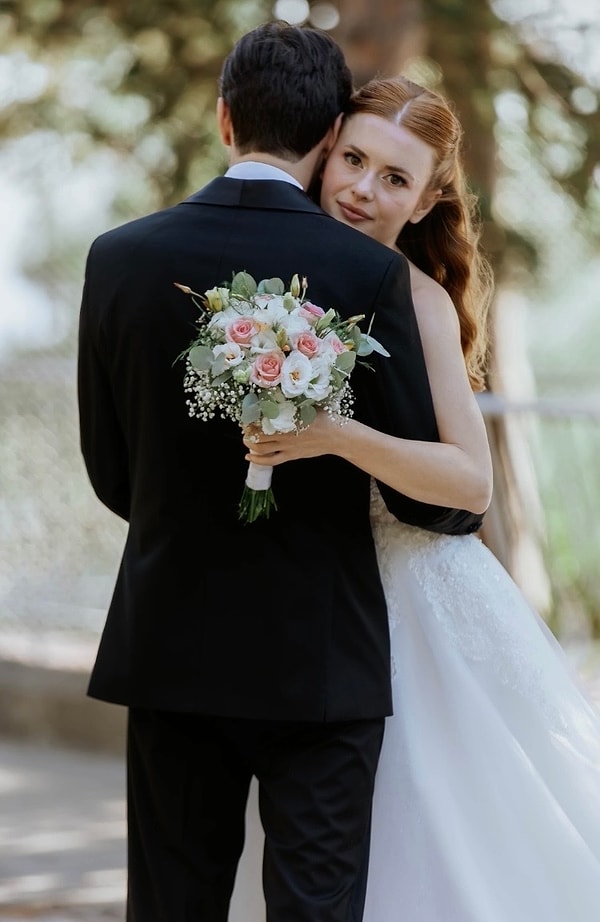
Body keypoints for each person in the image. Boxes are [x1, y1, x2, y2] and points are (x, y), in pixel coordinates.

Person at [77, 24, 484, 922]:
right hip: (322, 665)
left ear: (225, 119)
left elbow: (114, 476)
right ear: (328, 134)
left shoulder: (117, 258)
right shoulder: (367, 273)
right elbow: (440, 505)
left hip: (172, 650)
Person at [241, 76, 600, 920]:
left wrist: (336, 436)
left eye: (394, 178)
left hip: (413, 603)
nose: (363, 189)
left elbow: (470, 481)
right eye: (354, 160)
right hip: (310, 605)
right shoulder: (266, 285)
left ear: (428, 196)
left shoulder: (419, 298)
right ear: (326, 150)